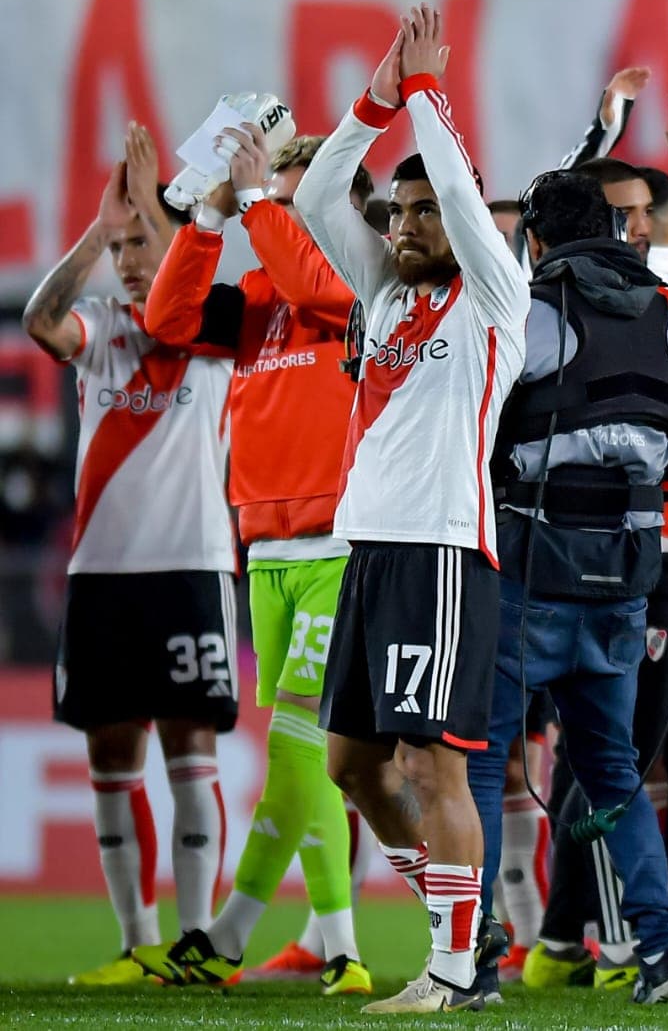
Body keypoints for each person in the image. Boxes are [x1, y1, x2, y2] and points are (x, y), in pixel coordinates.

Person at [293, 4, 528, 1014]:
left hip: (441, 551)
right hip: (371, 551)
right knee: (352, 764)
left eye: (423, 211)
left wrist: (430, 94)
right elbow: (315, 194)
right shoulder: (385, 295)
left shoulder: (494, 297)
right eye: (396, 211)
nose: (404, 226)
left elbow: (465, 203)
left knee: (434, 769)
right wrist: (378, 99)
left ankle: (452, 968)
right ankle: (463, 927)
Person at [129, 129, 372, 995]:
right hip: (266, 548)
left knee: (299, 745)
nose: (287, 214)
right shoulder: (257, 298)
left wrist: (261, 203)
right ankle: (303, 945)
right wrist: (204, 221)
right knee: (305, 754)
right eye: (283, 200)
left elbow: (313, 281)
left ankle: (277, 938)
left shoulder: (360, 286)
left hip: (341, 546)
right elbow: (165, 320)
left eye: (306, 201)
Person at [486, 167, 668, 1005]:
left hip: (530, 575)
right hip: (626, 580)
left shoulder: (528, 313)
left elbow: (479, 434)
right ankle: (662, 954)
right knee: (615, 772)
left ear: (536, 242)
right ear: (618, 231)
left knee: (484, 763)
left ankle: (469, 958)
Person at [26, 125, 234, 988]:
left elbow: (190, 283)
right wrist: (97, 230)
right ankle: (136, 942)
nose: (128, 259)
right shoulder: (102, 326)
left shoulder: (213, 319)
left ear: (178, 239)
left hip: (191, 564)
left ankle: (196, 942)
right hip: (102, 574)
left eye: (141, 241)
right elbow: (40, 321)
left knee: (192, 750)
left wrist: (156, 208)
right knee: (110, 756)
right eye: (120, 249)